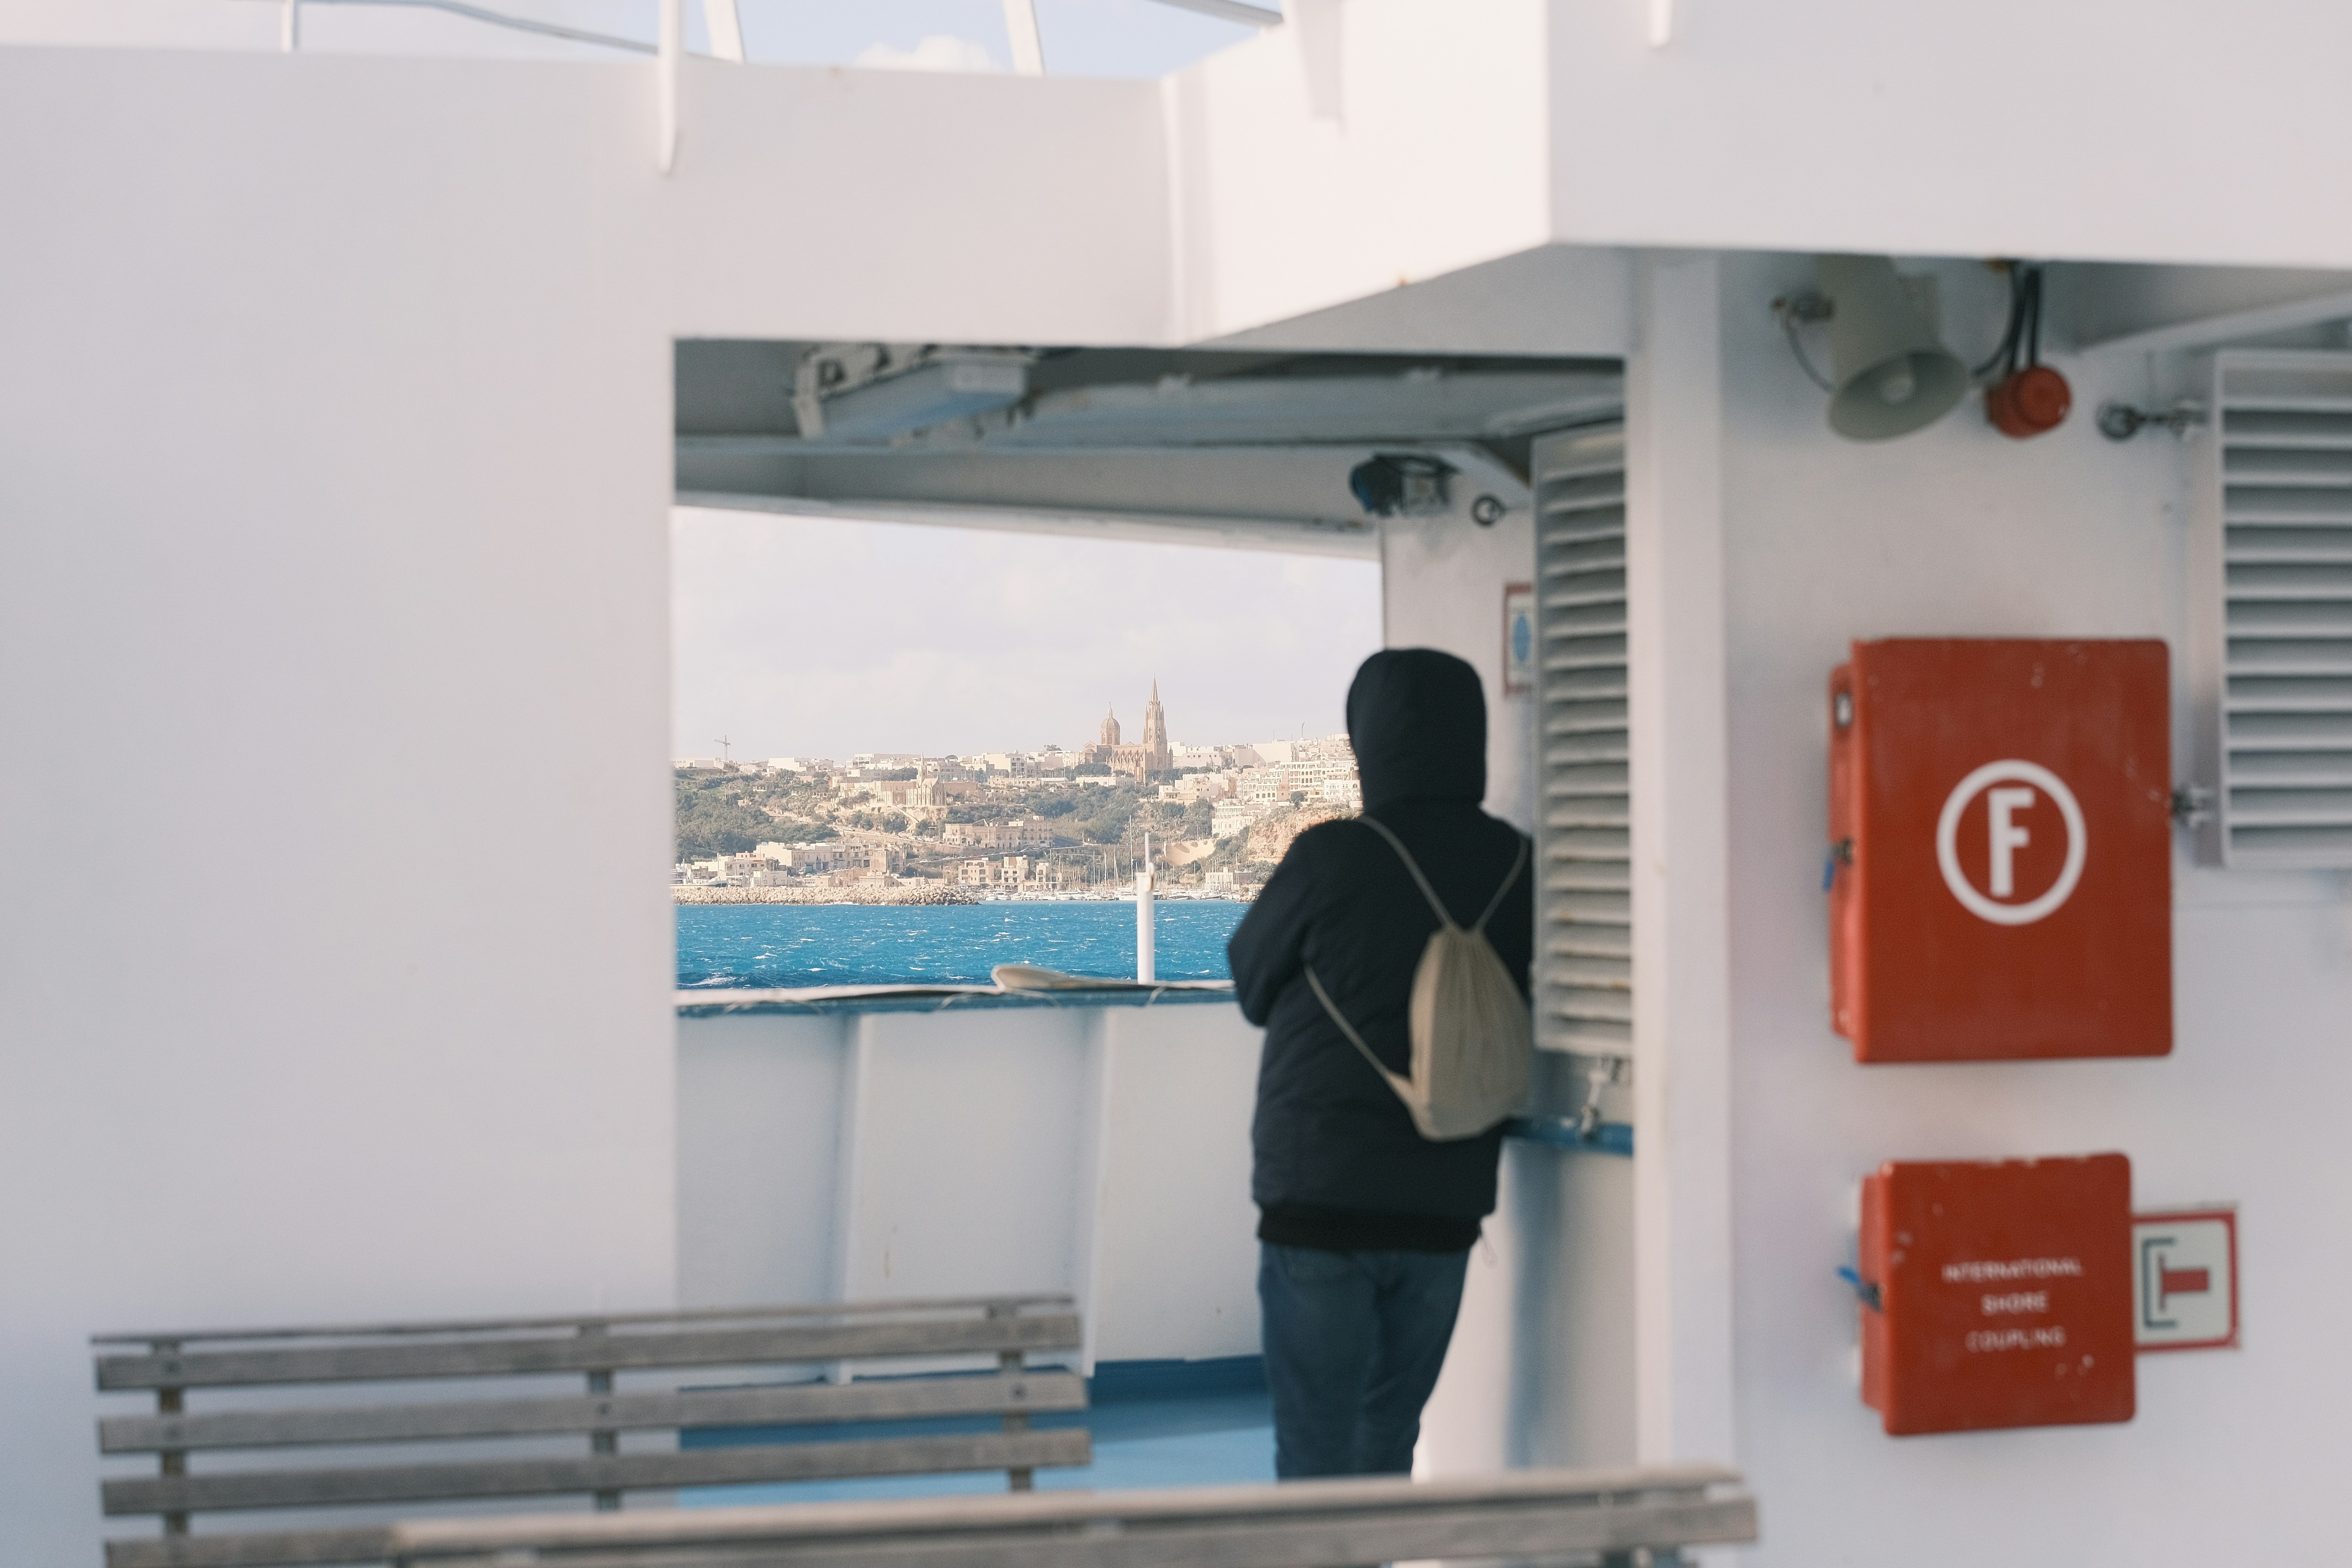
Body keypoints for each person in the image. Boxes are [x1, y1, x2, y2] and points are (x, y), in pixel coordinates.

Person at [1227, 647, 1534, 1480]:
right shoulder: (1516, 863)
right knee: (1388, 1436)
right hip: (1445, 1203)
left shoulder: (1332, 857)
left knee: (1316, 1449)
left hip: (1320, 1198)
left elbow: (1252, 983)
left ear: (1370, 742)